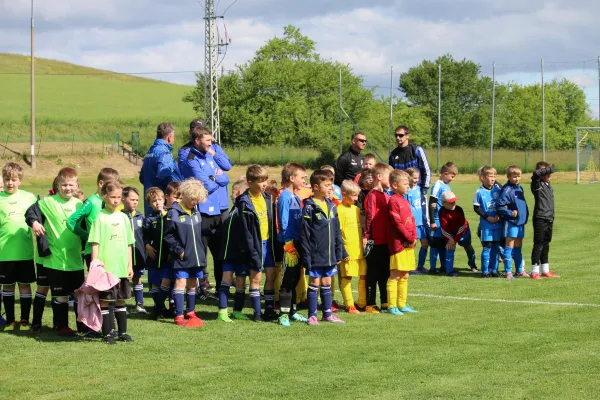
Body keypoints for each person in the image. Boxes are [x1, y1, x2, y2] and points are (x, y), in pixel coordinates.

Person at [27, 167, 84, 337]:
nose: (68, 188)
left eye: (71, 185)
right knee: (60, 296)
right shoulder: (48, 202)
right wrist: (35, 223)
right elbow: (30, 212)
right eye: (64, 185)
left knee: (79, 296)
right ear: (58, 185)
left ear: (77, 185)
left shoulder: (81, 205)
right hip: (56, 260)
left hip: (75, 260)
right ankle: (62, 326)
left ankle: (82, 325)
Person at [219, 165, 277, 322]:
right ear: (250, 183)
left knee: (271, 276)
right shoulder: (244, 202)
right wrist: (252, 251)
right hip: (255, 246)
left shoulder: (268, 198)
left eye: (265, 180)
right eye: (261, 181)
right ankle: (257, 314)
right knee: (255, 279)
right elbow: (246, 232)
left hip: (268, 244)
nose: (264, 184)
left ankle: (269, 309)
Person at [178, 126, 229, 294]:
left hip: (221, 209)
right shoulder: (191, 158)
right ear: (197, 140)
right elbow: (205, 185)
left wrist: (217, 176)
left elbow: (227, 171)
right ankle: (201, 287)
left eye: (211, 139)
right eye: (207, 140)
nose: (211, 143)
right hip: (205, 210)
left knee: (221, 252)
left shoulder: (213, 151)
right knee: (201, 252)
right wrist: (217, 178)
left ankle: (223, 288)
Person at [88, 181, 135, 344]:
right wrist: (95, 266)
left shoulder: (124, 217)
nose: (116, 200)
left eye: (118, 197)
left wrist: (130, 265)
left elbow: (129, 243)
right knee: (106, 301)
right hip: (106, 270)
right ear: (104, 196)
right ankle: (107, 333)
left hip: (121, 268)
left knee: (121, 300)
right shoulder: (99, 217)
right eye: (112, 197)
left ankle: (122, 332)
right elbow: (95, 243)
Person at [299, 170, 347, 325]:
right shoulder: (309, 207)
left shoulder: (332, 205)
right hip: (315, 254)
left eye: (331, 185)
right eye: (326, 185)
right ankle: (312, 315)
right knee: (315, 282)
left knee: (327, 282)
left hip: (330, 254)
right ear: (315, 186)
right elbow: (304, 234)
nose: (330, 188)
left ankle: (327, 314)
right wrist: (306, 255)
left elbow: (337, 231)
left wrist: (339, 251)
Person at [163, 178, 208, 328]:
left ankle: (191, 311)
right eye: (193, 199)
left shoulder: (196, 211)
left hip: (196, 256)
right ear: (185, 195)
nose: (195, 203)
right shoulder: (174, 212)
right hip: (182, 256)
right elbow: (168, 236)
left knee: (192, 284)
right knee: (180, 283)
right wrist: (179, 251)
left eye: (197, 200)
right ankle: (179, 314)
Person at [0, 163, 37, 330]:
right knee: (7, 286)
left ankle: (24, 319)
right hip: (4, 252)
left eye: (13, 180)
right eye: (7, 179)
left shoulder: (29, 197)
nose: (10, 183)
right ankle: (9, 319)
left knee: (24, 285)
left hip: (24, 251)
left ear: (20, 180)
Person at [275, 163, 309, 326]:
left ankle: (293, 311)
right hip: (289, 244)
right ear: (291, 178)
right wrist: (288, 245)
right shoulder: (284, 197)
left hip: (297, 242)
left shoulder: (295, 196)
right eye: (302, 177)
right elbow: (283, 221)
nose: (305, 180)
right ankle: (283, 314)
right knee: (288, 279)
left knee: (295, 278)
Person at [67, 168, 120, 269]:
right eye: (112, 185)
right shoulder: (91, 202)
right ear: (101, 183)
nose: (115, 188)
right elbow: (71, 221)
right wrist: (89, 236)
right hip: (93, 253)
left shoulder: (113, 202)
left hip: (111, 251)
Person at [429, 162, 477, 274]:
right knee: (437, 244)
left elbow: (463, 225)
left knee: (458, 244)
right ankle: (436, 268)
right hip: (439, 220)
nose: (452, 179)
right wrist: (432, 221)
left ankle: (470, 264)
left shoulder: (447, 187)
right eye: (452, 176)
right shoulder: (437, 185)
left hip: (450, 222)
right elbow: (432, 203)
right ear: (445, 173)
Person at [387, 170, 418, 315]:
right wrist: (408, 237)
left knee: (405, 275)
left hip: (409, 242)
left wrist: (414, 236)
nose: (408, 186)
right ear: (394, 185)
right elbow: (397, 222)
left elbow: (411, 219)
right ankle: (392, 305)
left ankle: (402, 303)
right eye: (405, 183)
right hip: (399, 243)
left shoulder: (405, 200)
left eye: (408, 183)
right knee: (395, 274)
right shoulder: (393, 201)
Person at [364, 163, 393, 313]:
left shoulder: (387, 195)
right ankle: (370, 303)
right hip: (375, 240)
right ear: (379, 177)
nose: (392, 179)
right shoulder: (372, 195)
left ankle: (384, 301)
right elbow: (370, 216)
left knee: (385, 273)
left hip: (386, 240)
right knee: (373, 273)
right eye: (389, 176)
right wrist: (368, 236)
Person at [139, 122, 183, 214]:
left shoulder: (150, 151)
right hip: (162, 205)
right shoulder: (164, 152)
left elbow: (142, 177)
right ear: (169, 137)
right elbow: (165, 173)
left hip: (151, 202)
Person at [143, 188, 172, 320]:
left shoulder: (170, 215)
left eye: (160, 199)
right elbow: (145, 235)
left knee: (167, 282)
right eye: (154, 201)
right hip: (154, 257)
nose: (158, 203)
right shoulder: (149, 219)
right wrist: (147, 245)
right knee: (155, 283)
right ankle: (160, 309)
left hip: (167, 257)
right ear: (149, 204)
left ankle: (157, 310)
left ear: (164, 199)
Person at [337, 180, 365, 314]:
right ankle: (349, 305)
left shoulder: (357, 210)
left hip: (360, 250)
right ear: (344, 194)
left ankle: (362, 302)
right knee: (346, 278)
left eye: (357, 195)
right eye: (353, 195)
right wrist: (343, 251)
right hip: (348, 251)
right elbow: (338, 233)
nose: (355, 198)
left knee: (363, 275)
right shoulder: (339, 210)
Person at [496, 165, 529, 280]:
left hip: (520, 223)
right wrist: (510, 213)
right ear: (508, 177)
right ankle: (508, 272)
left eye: (518, 176)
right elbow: (499, 206)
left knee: (518, 247)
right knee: (509, 247)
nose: (517, 179)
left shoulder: (519, 188)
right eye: (514, 176)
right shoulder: (507, 190)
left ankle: (519, 270)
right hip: (511, 223)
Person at [530, 162, 560, 279]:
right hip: (540, 218)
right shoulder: (537, 184)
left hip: (549, 218)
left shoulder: (547, 184)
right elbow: (535, 173)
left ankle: (545, 270)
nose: (549, 175)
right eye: (547, 173)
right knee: (538, 244)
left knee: (546, 244)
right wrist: (548, 169)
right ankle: (534, 272)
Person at [121, 186, 147, 313]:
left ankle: (139, 304)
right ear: (123, 199)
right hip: (124, 256)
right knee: (124, 280)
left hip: (139, 255)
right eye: (132, 200)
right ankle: (122, 305)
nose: (135, 202)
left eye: (137, 200)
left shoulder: (140, 217)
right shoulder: (119, 217)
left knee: (138, 278)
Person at [473, 166, 502, 278]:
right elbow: (476, 208)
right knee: (487, 247)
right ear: (483, 178)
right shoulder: (479, 192)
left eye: (494, 176)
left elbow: (502, 204)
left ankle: (494, 270)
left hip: (497, 223)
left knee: (496, 247)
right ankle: (485, 271)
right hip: (486, 225)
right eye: (490, 176)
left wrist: (498, 214)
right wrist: (487, 217)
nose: (493, 178)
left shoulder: (498, 190)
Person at [388, 125, 431, 198]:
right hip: (400, 193)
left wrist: (424, 190)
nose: (398, 138)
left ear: (407, 136)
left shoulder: (417, 150)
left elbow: (426, 170)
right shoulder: (393, 154)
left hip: (416, 192)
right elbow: (391, 174)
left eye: (400, 135)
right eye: (396, 135)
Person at [439, 191, 470, 277]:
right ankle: (449, 271)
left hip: (463, 230)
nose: (453, 204)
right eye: (450, 202)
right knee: (450, 248)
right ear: (443, 203)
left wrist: (455, 240)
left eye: (454, 202)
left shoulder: (459, 210)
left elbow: (462, 226)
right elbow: (444, 228)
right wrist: (450, 240)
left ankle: (472, 264)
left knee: (467, 245)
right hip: (450, 233)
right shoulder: (442, 212)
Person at [405, 168, 429, 274]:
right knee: (412, 245)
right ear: (408, 178)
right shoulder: (406, 191)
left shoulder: (420, 189)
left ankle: (420, 266)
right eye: (414, 178)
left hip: (421, 222)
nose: (416, 180)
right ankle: (409, 267)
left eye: (417, 178)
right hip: (412, 223)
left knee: (425, 244)